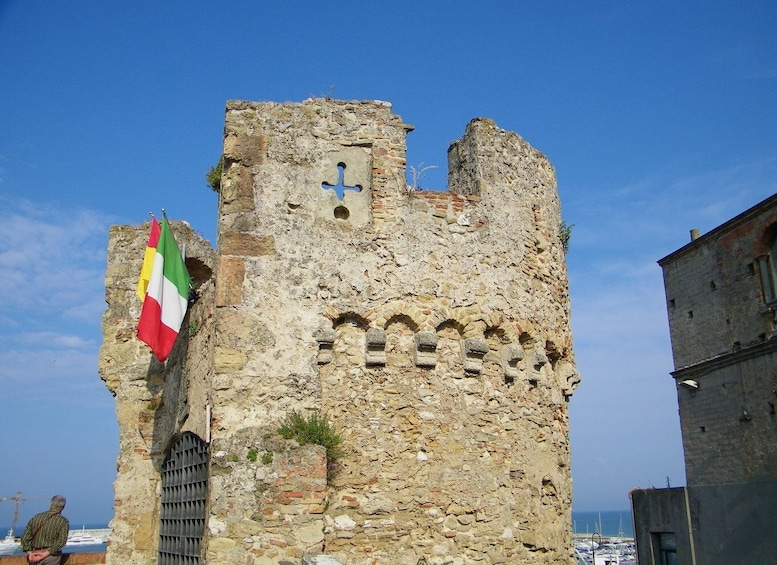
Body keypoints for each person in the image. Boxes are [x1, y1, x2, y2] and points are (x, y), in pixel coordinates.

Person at [20, 495, 69, 564]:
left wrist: (30, 553)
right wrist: (45, 553)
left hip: (34, 555)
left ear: (51, 504)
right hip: (51, 557)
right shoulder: (62, 521)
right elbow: (61, 542)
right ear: (63, 507)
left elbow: (25, 538)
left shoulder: (36, 517)